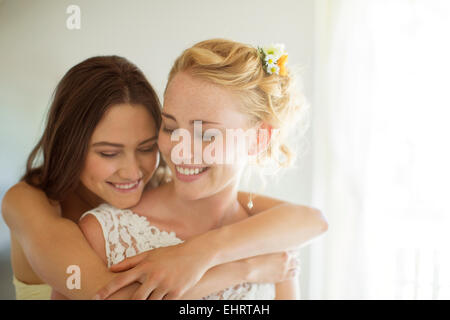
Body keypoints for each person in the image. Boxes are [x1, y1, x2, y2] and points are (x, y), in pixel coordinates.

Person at [2, 53, 327, 300]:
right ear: (71, 146)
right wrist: (245, 268)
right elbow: (114, 297)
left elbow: (309, 220)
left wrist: (202, 252)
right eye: (108, 153)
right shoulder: (30, 203)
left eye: (146, 147)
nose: (133, 171)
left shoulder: (158, 184)